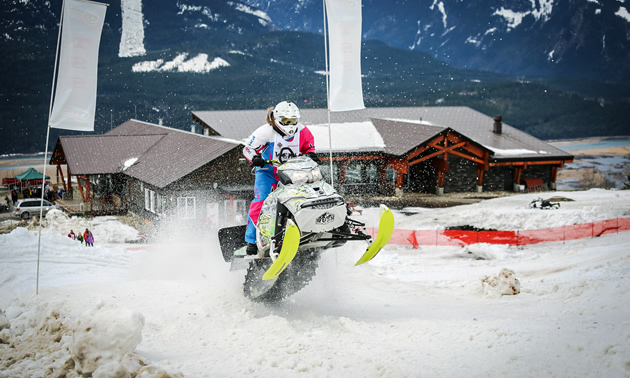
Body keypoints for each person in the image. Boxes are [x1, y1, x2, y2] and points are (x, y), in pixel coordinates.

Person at [242, 101, 319, 255]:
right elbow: (247, 149)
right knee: (262, 201)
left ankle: (308, 229)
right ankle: (251, 241)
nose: (290, 125)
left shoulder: (303, 131)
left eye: (293, 121)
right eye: (286, 121)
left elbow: (309, 147)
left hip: (294, 172)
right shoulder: (266, 131)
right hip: (268, 171)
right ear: (277, 119)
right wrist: (255, 158)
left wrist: (311, 154)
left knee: (306, 195)